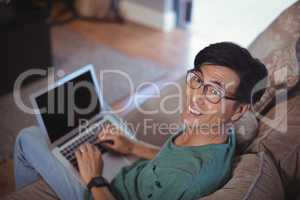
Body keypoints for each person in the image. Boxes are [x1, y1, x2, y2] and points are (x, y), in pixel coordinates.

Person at [14, 42, 268, 200]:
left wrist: (94, 179)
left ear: (238, 111)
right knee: (103, 124)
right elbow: (172, 160)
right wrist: (133, 146)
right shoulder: (216, 132)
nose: (195, 97)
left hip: (102, 192)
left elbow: (177, 172)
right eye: (197, 80)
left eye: (214, 91)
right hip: (130, 175)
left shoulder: (188, 178)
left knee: (28, 137)